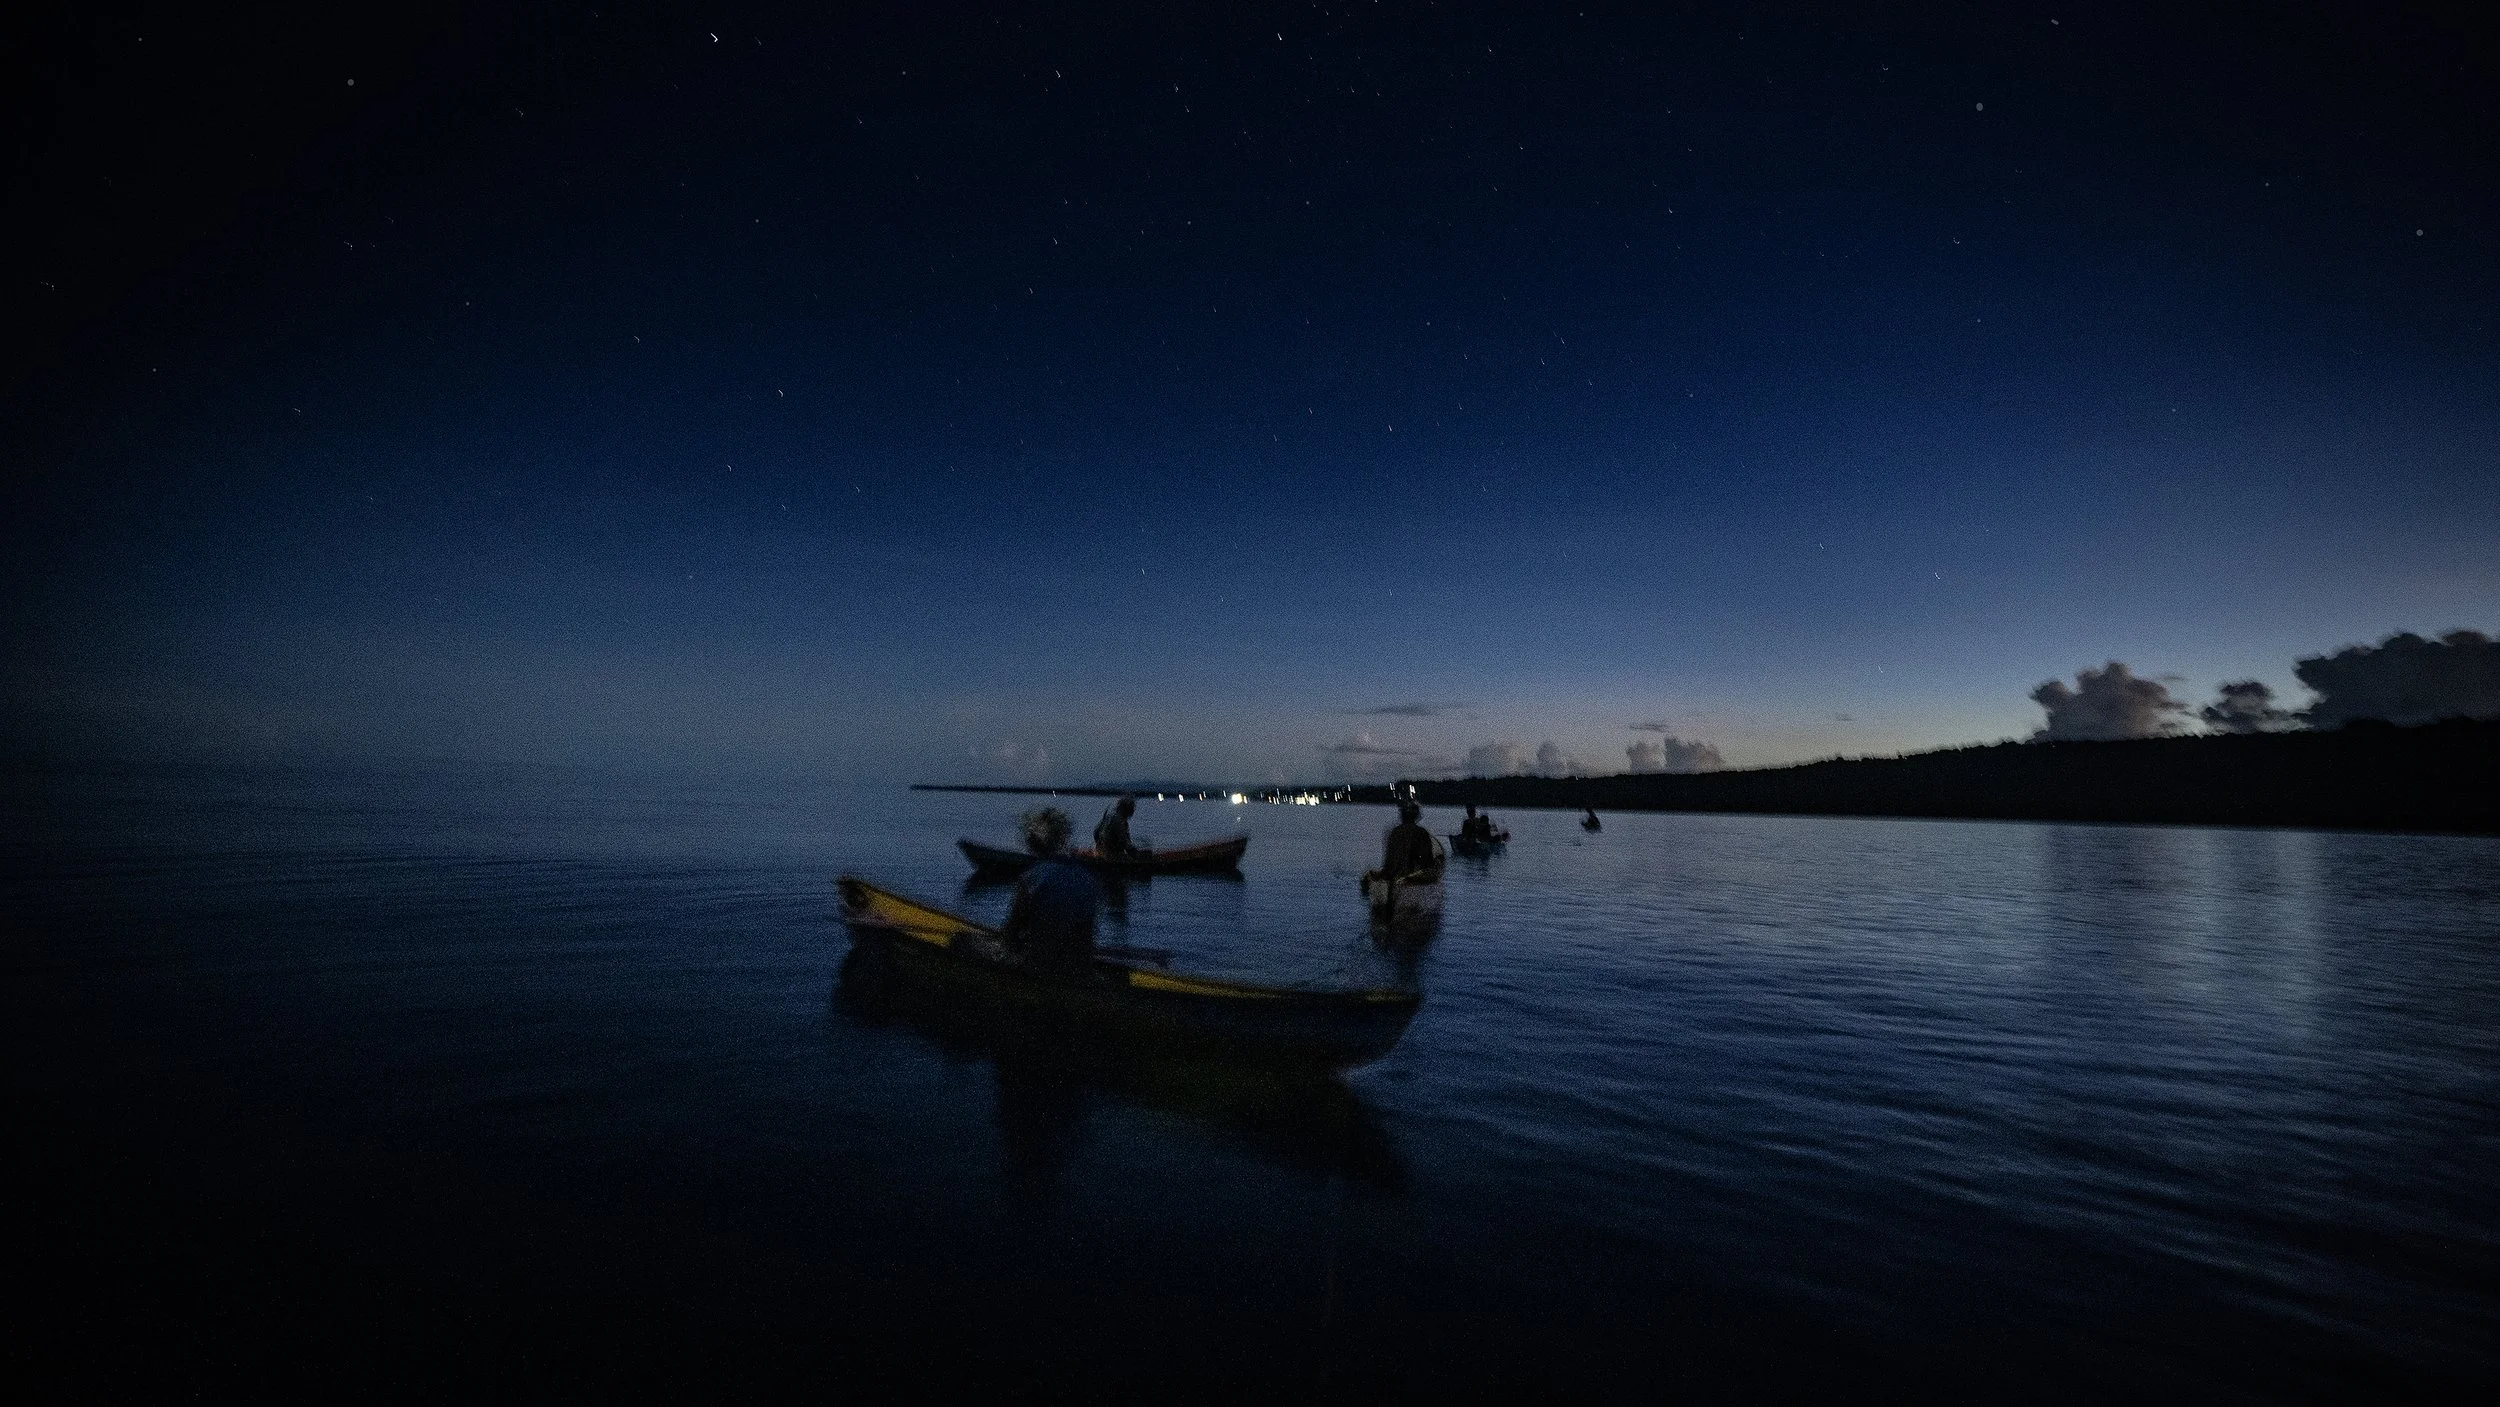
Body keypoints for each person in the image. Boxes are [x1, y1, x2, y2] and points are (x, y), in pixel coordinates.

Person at [1000, 807, 1101, 967]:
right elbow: (1086, 936)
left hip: (1039, 965)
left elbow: (1011, 933)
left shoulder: (1032, 879)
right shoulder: (1088, 879)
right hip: (1078, 967)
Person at [1380, 799, 1440, 879]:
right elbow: (1427, 860)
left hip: (1394, 876)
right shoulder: (1421, 832)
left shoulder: (1395, 832)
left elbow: (1389, 860)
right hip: (1411, 877)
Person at [1093, 794, 1149, 860]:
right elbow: (1126, 844)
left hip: (1101, 852)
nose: (1133, 810)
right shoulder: (1119, 822)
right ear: (1126, 808)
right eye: (1132, 807)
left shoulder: (1110, 817)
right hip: (1111, 856)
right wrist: (1138, 855)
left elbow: (1095, 833)